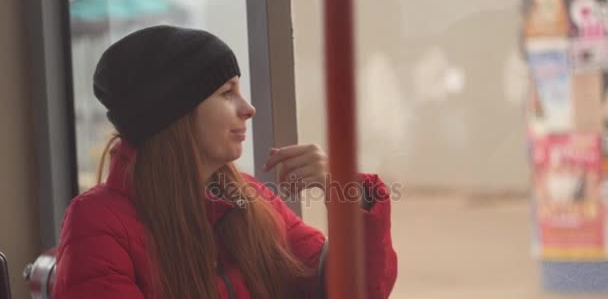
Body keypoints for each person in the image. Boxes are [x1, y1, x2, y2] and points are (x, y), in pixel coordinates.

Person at [53, 25, 397, 299]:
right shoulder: (97, 223)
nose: (248, 109)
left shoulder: (250, 200)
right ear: (175, 116)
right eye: (226, 93)